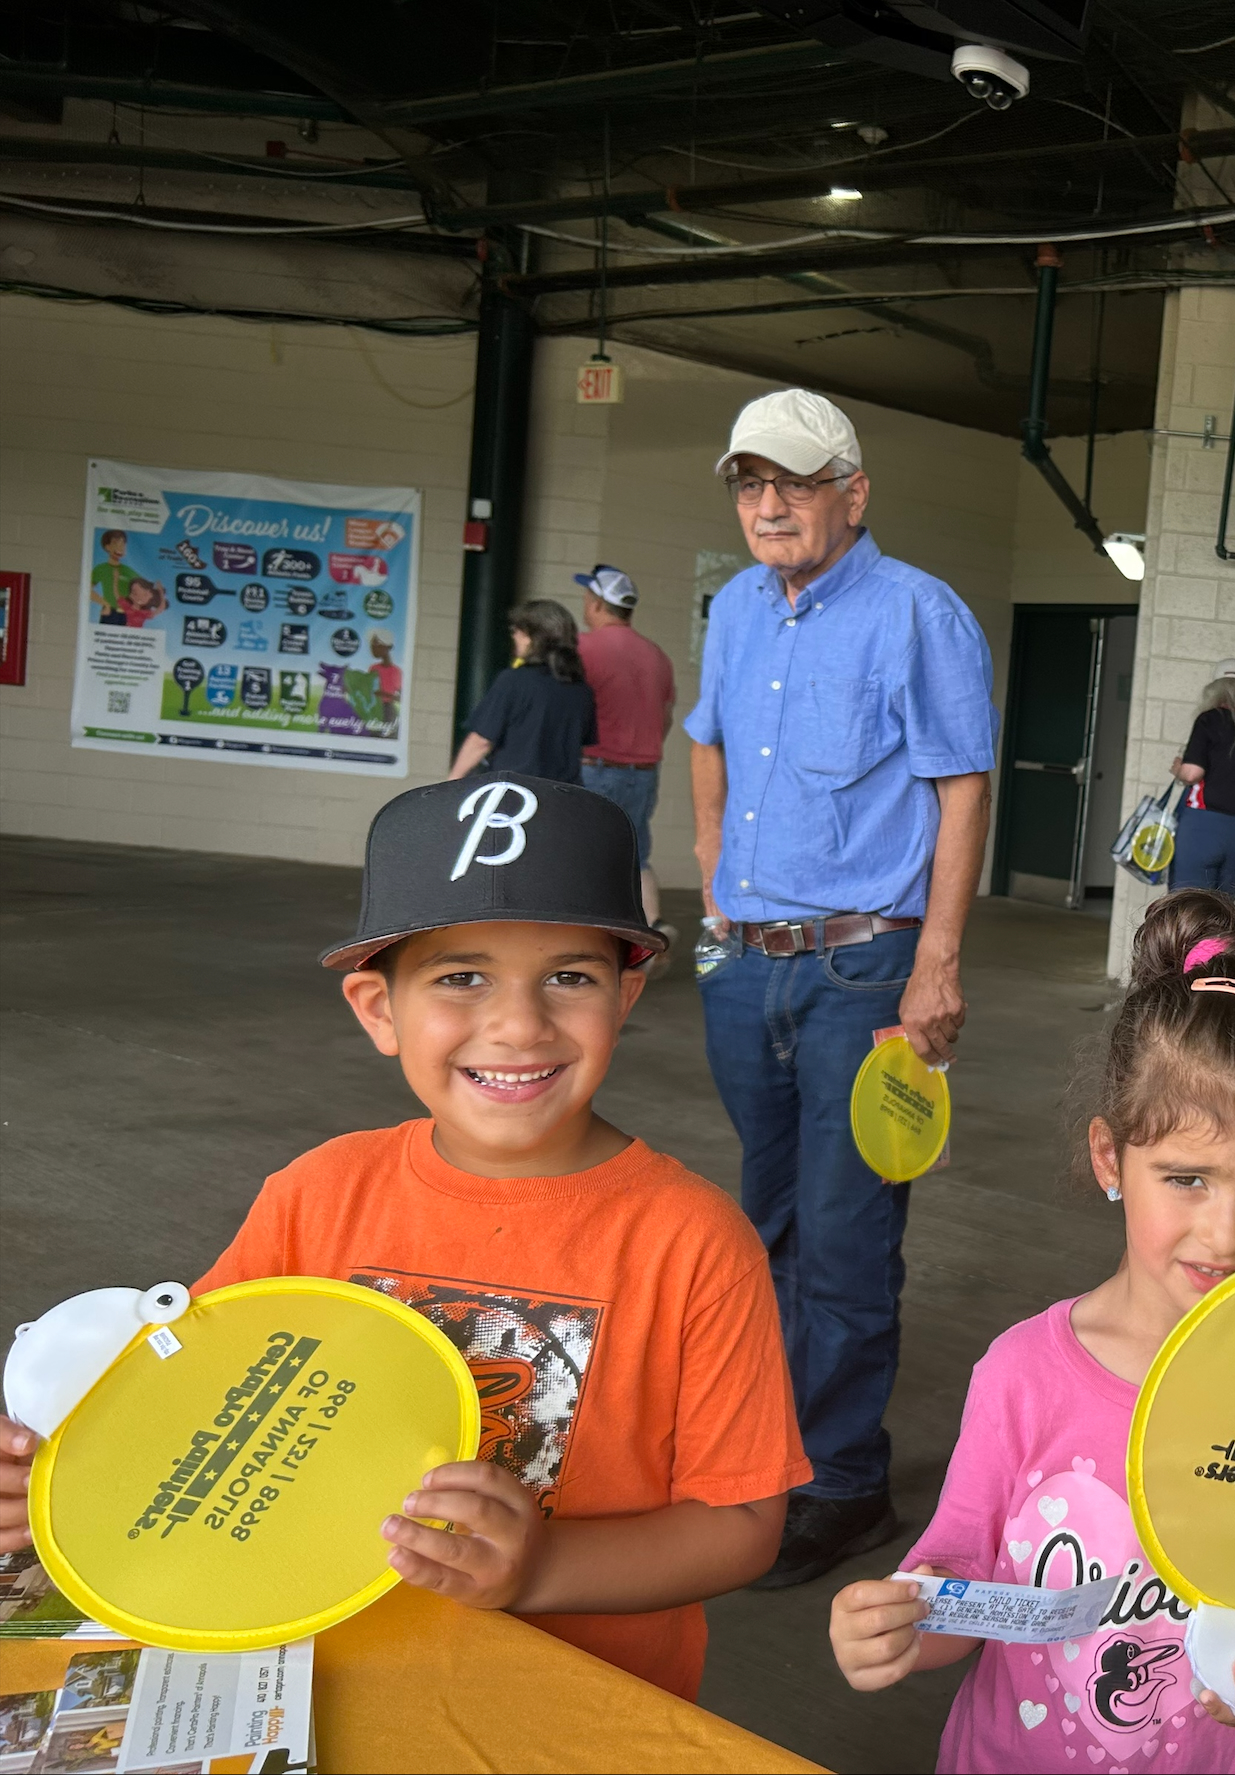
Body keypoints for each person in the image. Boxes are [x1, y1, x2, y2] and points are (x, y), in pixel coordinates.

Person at [0, 775, 808, 1700]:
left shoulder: (695, 1241)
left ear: (625, 997)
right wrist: (61, 1472)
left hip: (570, 1701)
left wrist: (542, 1569)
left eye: (570, 977)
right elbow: (185, 1398)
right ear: (378, 1010)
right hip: (323, 1663)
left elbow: (742, 1520)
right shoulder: (319, 1194)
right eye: (461, 977)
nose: (517, 1024)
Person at [827, 891, 1235, 1771]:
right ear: (1109, 1158)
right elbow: (955, 1582)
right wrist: (894, 1629)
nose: (1224, 1234)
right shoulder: (1022, 1374)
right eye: (1186, 1177)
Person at [687, 388, 997, 1587]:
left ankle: (842, 1481)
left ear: (851, 495)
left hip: (864, 963)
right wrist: (710, 866)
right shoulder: (733, 608)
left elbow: (962, 787)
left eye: (795, 483)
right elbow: (705, 734)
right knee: (761, 1225)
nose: (769, 504)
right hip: (743, 964)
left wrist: (937, 960)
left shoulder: (918, 615)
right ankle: (769, 1448)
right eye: (751, 483)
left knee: (846, 1237)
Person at [573, 565, 677, 931]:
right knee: (637, 854)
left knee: (584, 852)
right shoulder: (657, 656)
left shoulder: (581, 648)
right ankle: (654, 927)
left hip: (594, 766)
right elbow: (665, 717)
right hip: (645, 771)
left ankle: (588, 931)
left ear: (597, 603)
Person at [450, 599, 596, 784]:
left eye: (517, 632)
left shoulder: (514, 681)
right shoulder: (582, 690)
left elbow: (481, 741)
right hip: (563, 795)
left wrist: (452, 779)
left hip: (515, 792)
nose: (514, 638)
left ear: (532, 637)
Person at [1168, 659, 1235, 899]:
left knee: (1188, 907)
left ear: (1214, 689)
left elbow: (1193, 773)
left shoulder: (1209, 719)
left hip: (1204, 826)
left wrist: (1177, 769)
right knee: (1223, 911)